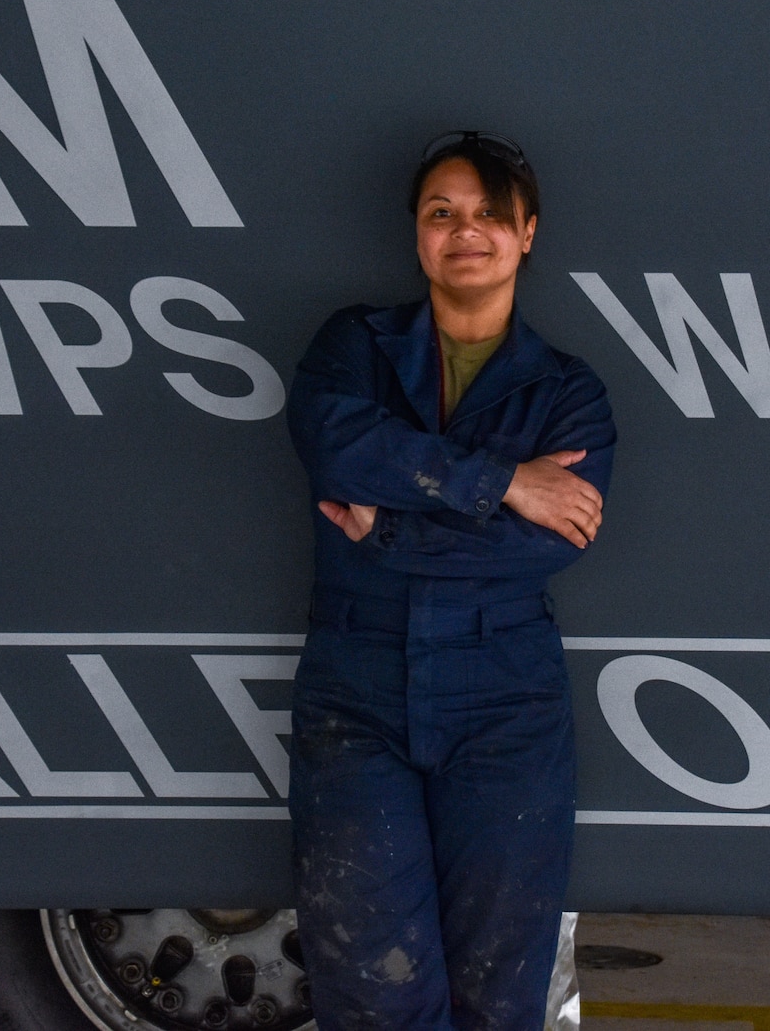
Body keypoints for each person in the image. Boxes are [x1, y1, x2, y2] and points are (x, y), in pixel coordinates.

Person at [286, 131, 616, 1031]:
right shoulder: (353, 347)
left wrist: (385, 524)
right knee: (370, 985)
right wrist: (505, 483)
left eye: (487, 215)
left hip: (505, 699)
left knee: (500, 992)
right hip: (355, 695)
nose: (464, 232)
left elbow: (543, 548)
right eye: (442, 213)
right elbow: (336, 444)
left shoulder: (568, 396)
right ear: (417, 235)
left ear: (527, 233)